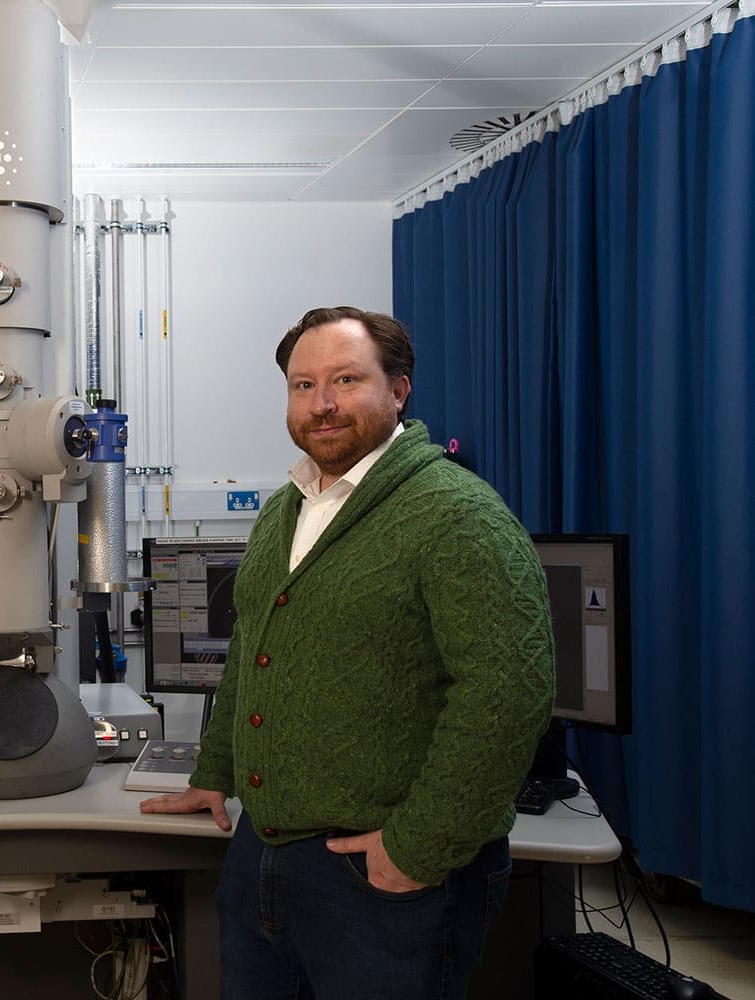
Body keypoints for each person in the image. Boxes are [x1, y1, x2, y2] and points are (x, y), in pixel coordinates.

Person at [140, 307, 554, 999]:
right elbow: (251, 652)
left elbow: (508, 695)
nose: (321, 404)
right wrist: (214, 773)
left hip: (383, 876)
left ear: (399, 390)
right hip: (264, 856)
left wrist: (417, 848)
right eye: (303, 386)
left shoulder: (458, 514)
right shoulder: (286, 508)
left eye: (345, 380)